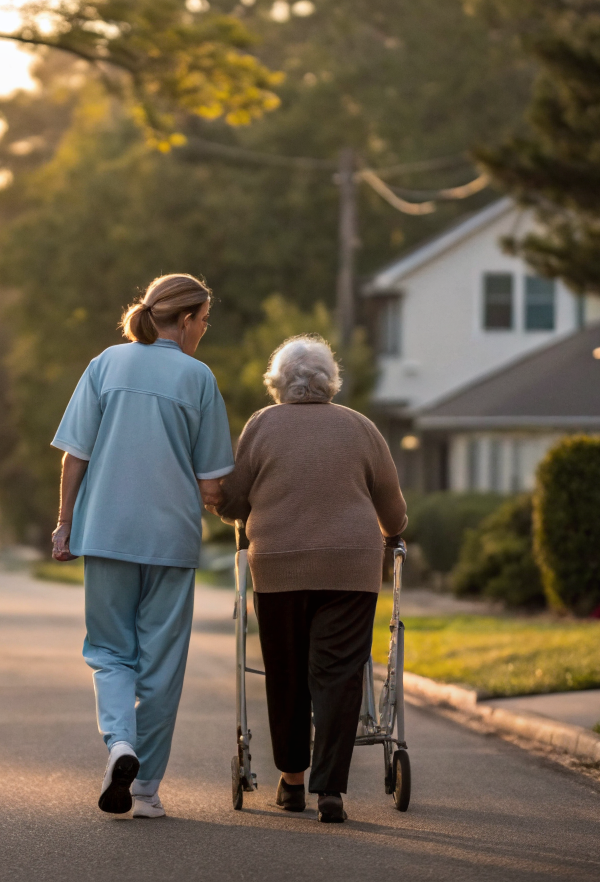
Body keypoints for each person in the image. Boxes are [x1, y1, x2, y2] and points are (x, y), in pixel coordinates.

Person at [50, 273, 234, 819]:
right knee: (161, 664)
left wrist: (64, 524)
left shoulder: (105, 364)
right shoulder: (199, 378)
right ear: (184, 320)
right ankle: (147, 787)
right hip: (171, 539)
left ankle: (120, 745)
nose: (203, 330)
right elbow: (212, 485)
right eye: (202, 321)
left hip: (105, 531)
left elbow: (74, 454)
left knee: (109, 651)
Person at [215, 335, 407, 824]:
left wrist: (229, 504)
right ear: (330, 382)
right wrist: (393, 531)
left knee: (287, 673)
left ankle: (292, 784)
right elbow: (394, 510)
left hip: (278, 567)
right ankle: (331, 793)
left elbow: (234, 503)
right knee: (339, 675)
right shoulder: (360, 427)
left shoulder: (261, 425)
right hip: (351, 568)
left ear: (278, 383)